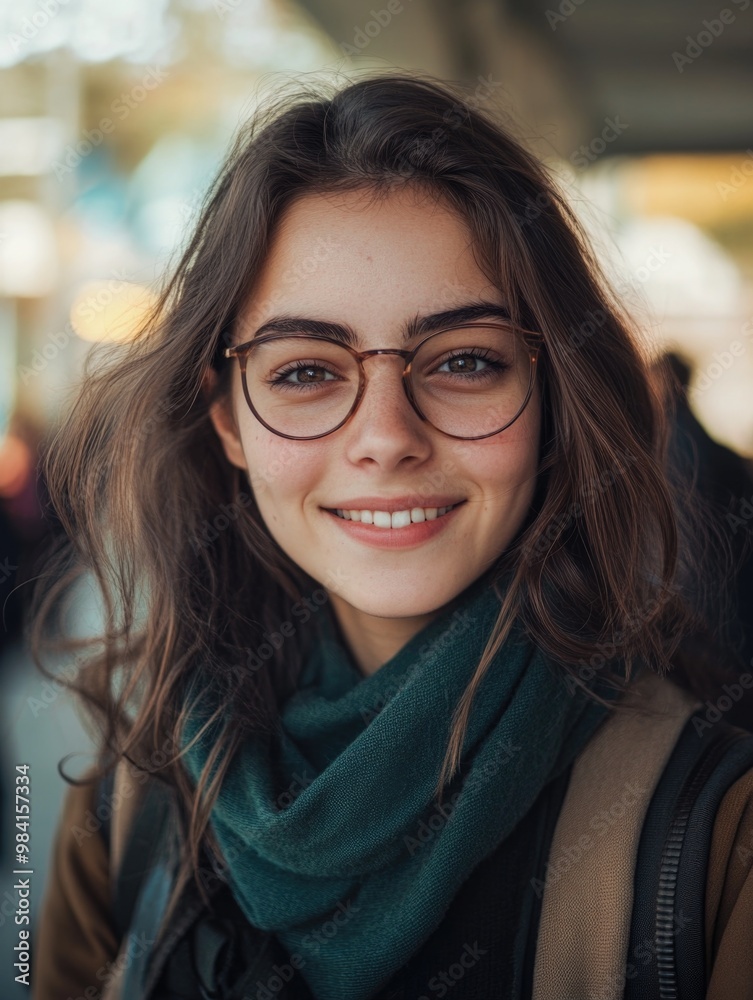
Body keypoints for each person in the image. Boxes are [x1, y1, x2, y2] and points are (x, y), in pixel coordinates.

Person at [28, 72, 753, 1000]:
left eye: (462, 362)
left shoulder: (716, 834)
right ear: (225, 420)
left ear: (554, 403)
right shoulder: (127, 809)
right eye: (304, 373)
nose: (385, 439)